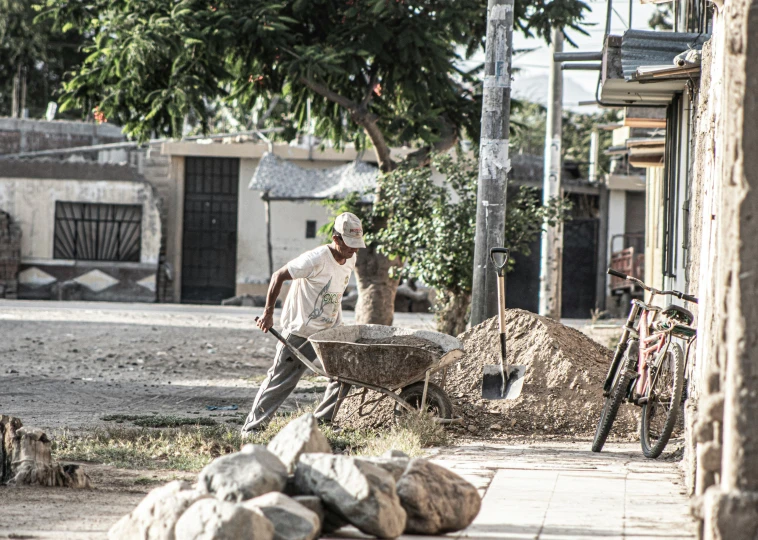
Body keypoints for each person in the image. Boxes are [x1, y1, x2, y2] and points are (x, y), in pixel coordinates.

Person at [241, 212, 365, 433]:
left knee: (345, 374)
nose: (353, 250)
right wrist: (268, 313)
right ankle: (252, 429)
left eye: (356, 245)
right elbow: (277, 276)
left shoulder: (351, 258)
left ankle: (321, 424)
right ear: (336, 239)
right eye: (349, 245)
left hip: (330, 333)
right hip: (301, 332)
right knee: (281, 381)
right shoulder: (315, 259)